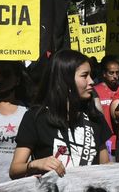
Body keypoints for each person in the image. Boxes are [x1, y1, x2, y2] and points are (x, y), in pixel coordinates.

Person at [10, 50, 111, 178]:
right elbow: (14, 170)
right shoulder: (36, 117)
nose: (91, 81)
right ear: (66, 80)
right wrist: (36, 164)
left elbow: (106, 166)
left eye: (91, 75)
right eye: (84, 75)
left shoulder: (94, 117)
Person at [92, 55, 119, 155]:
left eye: (117, 72)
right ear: (104, 74)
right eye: (111, 73)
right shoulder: (95, 91)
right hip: (102, 143)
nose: (115, 76)